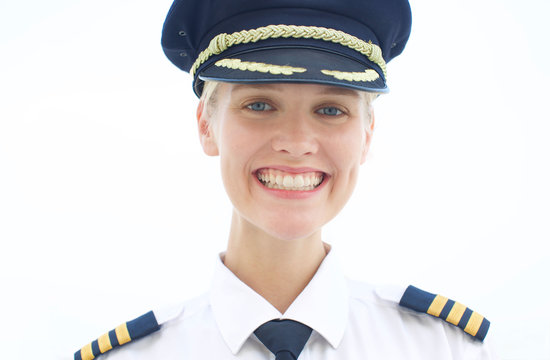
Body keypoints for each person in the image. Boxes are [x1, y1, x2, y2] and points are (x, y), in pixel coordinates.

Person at [75, 0, 499, 359]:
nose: (297, 144)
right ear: (206, 125)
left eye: (331, 110)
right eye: (259, 105)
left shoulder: (444, 348)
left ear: (367, 135)